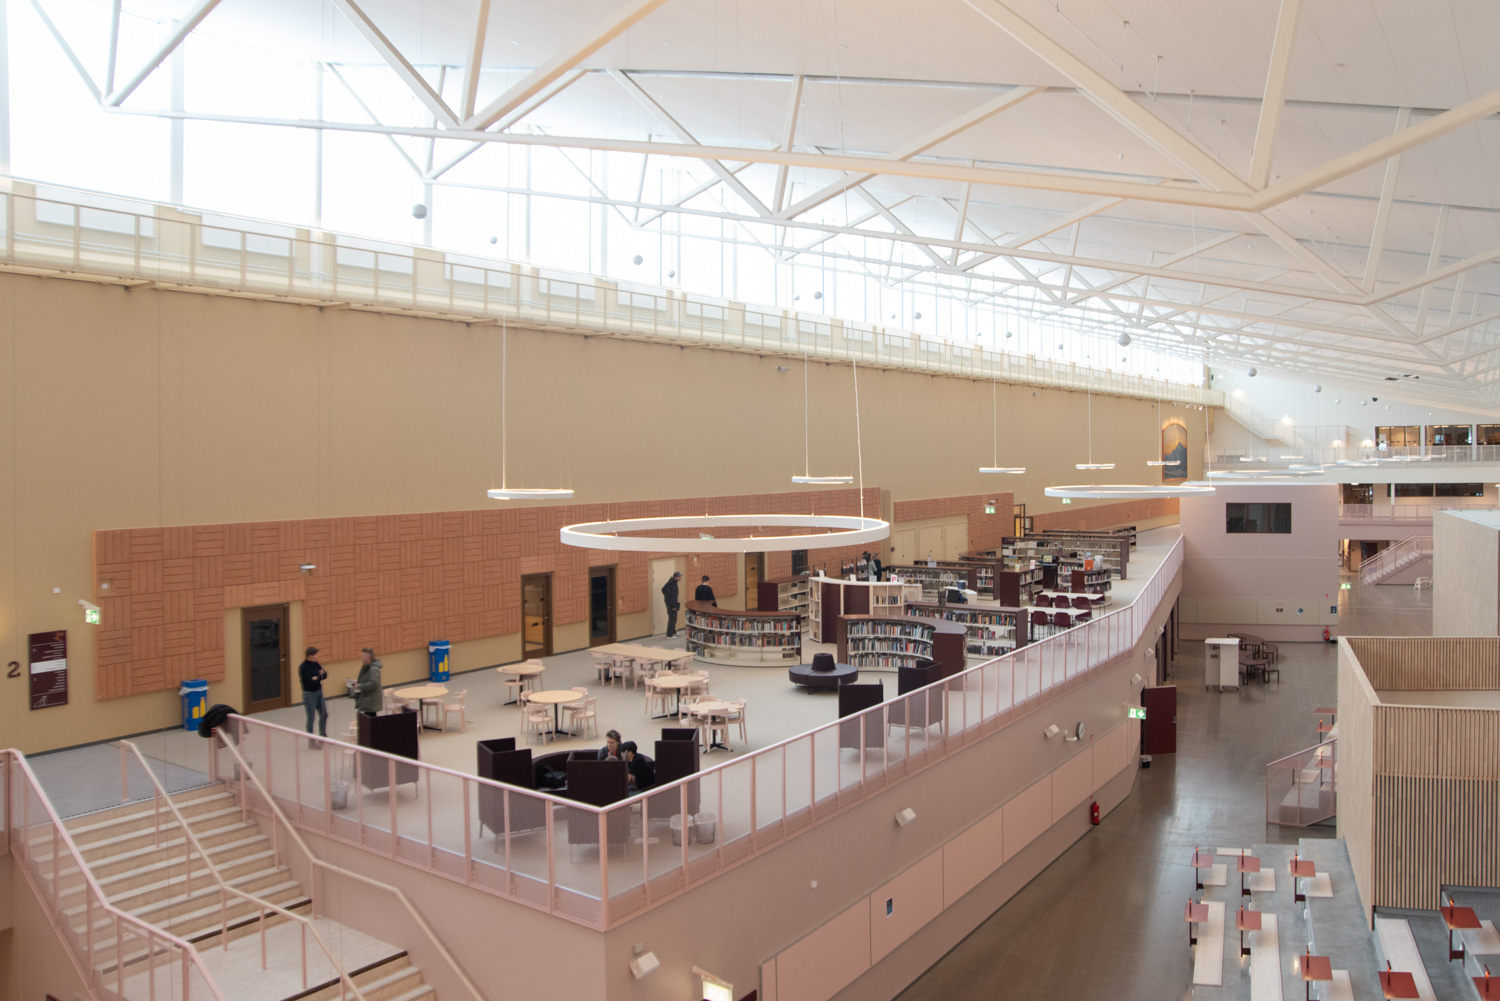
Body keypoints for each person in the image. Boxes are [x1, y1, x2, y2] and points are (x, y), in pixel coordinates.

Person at [298, 646, 328, 740]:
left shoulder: (316, 664)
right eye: (315, 655)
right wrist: (319, 675)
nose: (317, 657)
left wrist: (317, 677)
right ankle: (311, 739)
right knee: (311, 717)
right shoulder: (303, 667)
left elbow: (325, 675)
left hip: (319, 692)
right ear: (310, 656)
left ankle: (322, 735)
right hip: (309, 694)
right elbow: (309, 682)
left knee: (324, 714)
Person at [354, 647, 383, 714]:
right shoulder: (366, 667)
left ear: (368, 657)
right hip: (366, 700)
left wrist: (360, 686)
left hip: (371, 702)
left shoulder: (374, 669)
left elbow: (373, 683)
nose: (361, 658)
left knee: (370, 718)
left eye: (363, 656)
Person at [662, 571, 683, 637]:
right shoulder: (672, 585)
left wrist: (666, 598)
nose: (680, 578)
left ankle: (673, 631)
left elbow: (663, 589)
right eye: (679, 577)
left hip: (670, 603)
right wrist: (673, 606)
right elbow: (673, 596)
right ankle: (669, 635)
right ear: (676, 577)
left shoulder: (671, 582)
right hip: (671, 604)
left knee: (674, 618)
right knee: (672, 619)